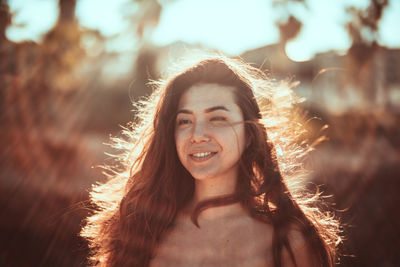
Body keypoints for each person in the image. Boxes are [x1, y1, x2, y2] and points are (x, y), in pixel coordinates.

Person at [81, 55, 341, 266]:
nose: (197, 135)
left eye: (218, 118)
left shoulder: (289, 242)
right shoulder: (142, 230)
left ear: (250, 134)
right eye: (185, 121)